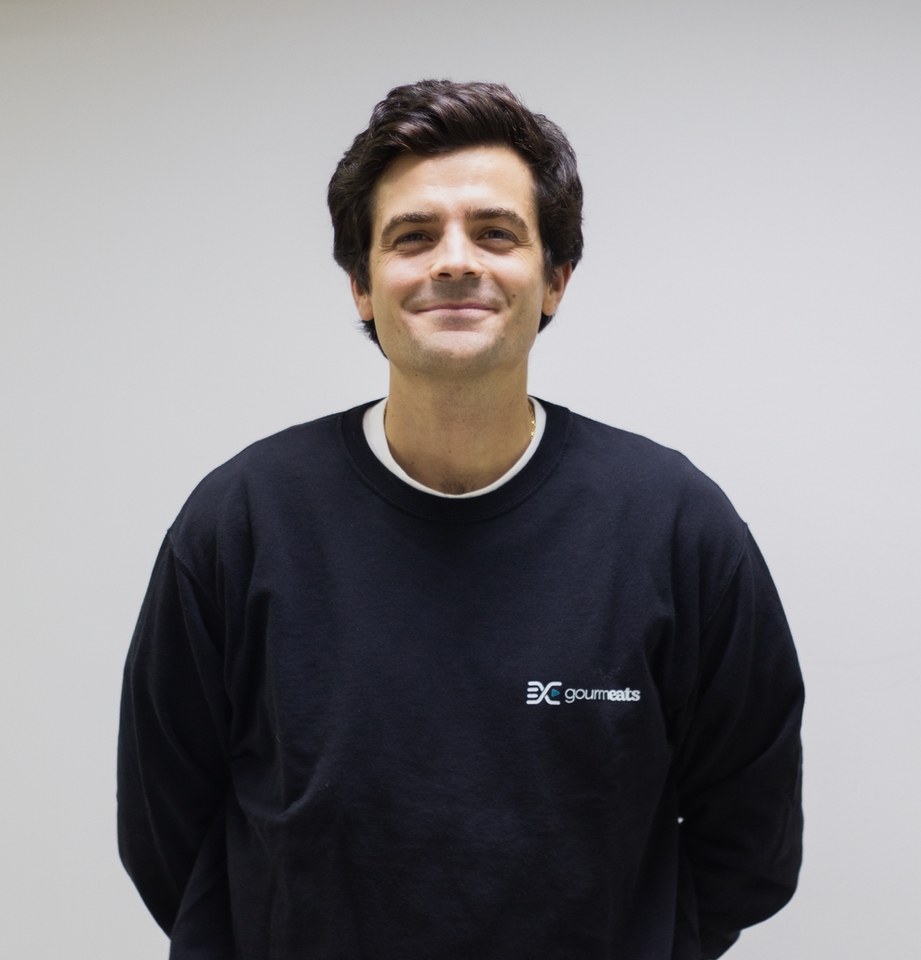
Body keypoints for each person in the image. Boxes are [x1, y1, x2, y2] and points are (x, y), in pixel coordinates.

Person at [118, 80, 804, 960]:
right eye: (413, 236)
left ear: (554, 280)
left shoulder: (676, 527)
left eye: (495, 233)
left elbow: (750, 838)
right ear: (361, 286)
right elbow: (165, 829)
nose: (453, 261)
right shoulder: (241, 521)